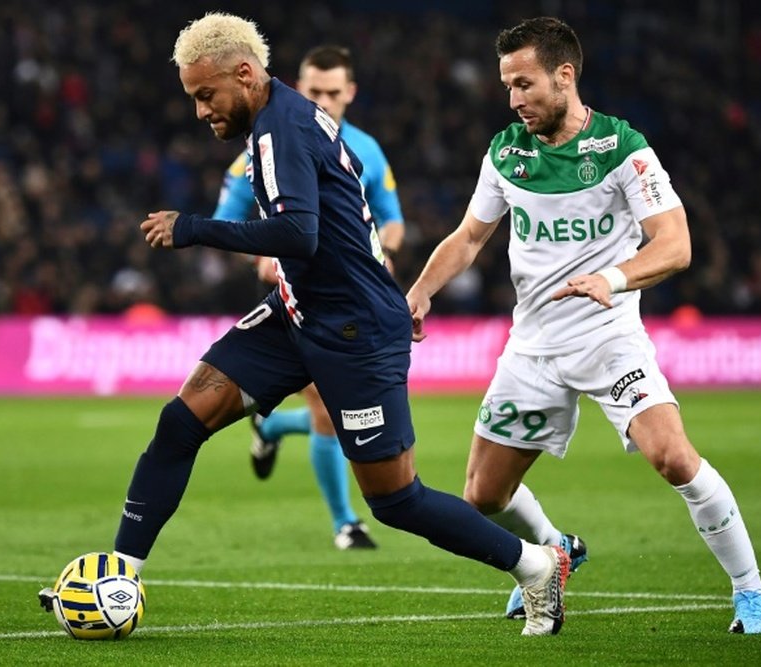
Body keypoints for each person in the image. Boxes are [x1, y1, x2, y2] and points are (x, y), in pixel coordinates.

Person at [55, 12, 570, 637]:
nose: (199, 111)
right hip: (300, 311)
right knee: (180, 420)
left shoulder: (283, 132)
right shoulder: (277, 120)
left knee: (396, 501)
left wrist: (191, 228)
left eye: (205, 95)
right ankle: (121, 577)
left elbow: (300, 234)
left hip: (356, 331)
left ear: (244, 75)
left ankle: (535, 565)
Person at [405, 17, 761, 635]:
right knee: (482, 498)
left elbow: (676, 243)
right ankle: (552, 555)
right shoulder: (505, 153)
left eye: (524, 84)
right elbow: (471, 237)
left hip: (609, 338)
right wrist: (420, 291)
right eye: (507, 86)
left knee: (673, 457)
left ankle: (751, 592)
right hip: (532, 347)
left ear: (564, 75)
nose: (514, 99)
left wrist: (615, 278)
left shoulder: (622, 150)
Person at [213, 45, 406, 550]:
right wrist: (260, 257)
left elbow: (394, 221)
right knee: (326, 407)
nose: (323, 99)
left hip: (355, 296)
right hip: (298, 296)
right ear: (298, 87)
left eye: (332, 93)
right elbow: (229, 217)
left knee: (337, 411)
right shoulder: (262, 145)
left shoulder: (365, 149)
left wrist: (379, 252)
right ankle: (346, 522)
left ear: (350, 93)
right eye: (313, 91)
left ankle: (272, 429)